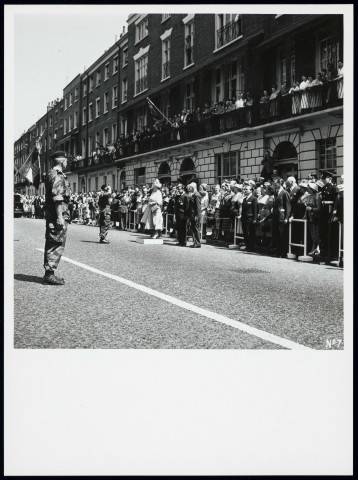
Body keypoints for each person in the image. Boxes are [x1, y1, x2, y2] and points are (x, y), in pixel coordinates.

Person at [43, 151, 71, 285]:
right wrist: (60, 217)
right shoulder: (57, 175)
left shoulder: (51, 174)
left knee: (53, 242)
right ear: (61, 161)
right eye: (66, 160)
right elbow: (58, 198)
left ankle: (49, 273)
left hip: (53, 215)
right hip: (56, 216)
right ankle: (49, 274)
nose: (67, 162)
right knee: (55, 243)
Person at [272, 179, 291, 257]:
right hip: (276, 216)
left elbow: (288, 206)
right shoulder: (276, 192)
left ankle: (283, 252)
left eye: (276, 183)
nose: (274, 184)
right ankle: (278, 251)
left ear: (280, 183)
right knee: (277, 235)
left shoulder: (285, 193)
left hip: (282, 216)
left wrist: (286, 217)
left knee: (282, 235)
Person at [187, 181, 202, 248]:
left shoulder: (196, 195)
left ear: (193, 187)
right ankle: (195, 242)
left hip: (195, 215)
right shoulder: (194, 194)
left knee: (196, 229)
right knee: (193, 228)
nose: (189, 189)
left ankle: (197, 243)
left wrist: (197, 216)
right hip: (192, 215)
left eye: (190, 187)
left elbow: (198, 207)